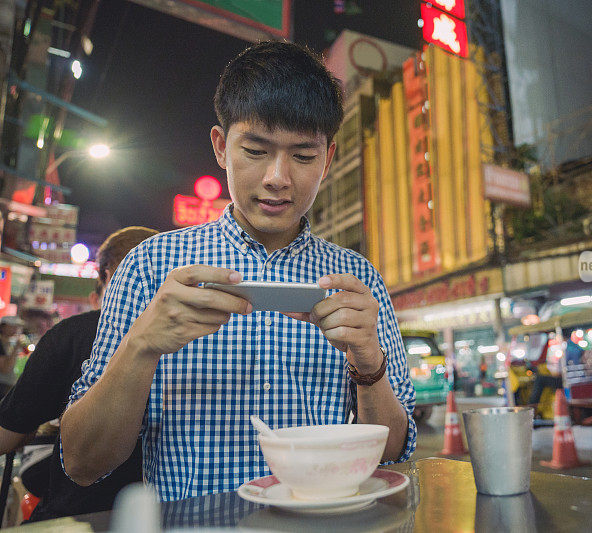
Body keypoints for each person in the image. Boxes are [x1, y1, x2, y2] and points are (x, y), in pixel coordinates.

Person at [60, 41, 416, 502]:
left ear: (327, 159)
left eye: (303, 157)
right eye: (255, 149)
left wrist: (370, 368)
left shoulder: (356, 278)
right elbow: (83, 463)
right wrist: (142, 346)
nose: (277, 177)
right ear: (221, 146)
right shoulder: (151, 267)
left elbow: (389, 454)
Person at [0, 227, 159, 522]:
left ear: (107, 277)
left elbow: (6, 434)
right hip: (170, 517)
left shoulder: (73, 335)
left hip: (76, 517)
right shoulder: (201, 338)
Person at [0, 315, 25, 397]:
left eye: (16, 327)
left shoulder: (9, 343)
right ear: (3, 327)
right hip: (2, 386)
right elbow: (5, 368)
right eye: (12, 326)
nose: (15, 329)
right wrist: (16, 348)